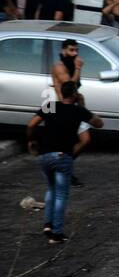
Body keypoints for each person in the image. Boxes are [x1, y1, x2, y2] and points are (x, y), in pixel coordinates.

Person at [26, 81, 101, 244]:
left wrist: (32, 140)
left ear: (61, 93)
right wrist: (82, 105)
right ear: (74, 93)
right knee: (61, 194)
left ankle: (48, 225)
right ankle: (57, 233)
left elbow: (31, 123)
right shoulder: (78, 110)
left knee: (51, 188)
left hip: (45, 155)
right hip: (62, 156)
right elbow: (99, 123)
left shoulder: (51, 106)